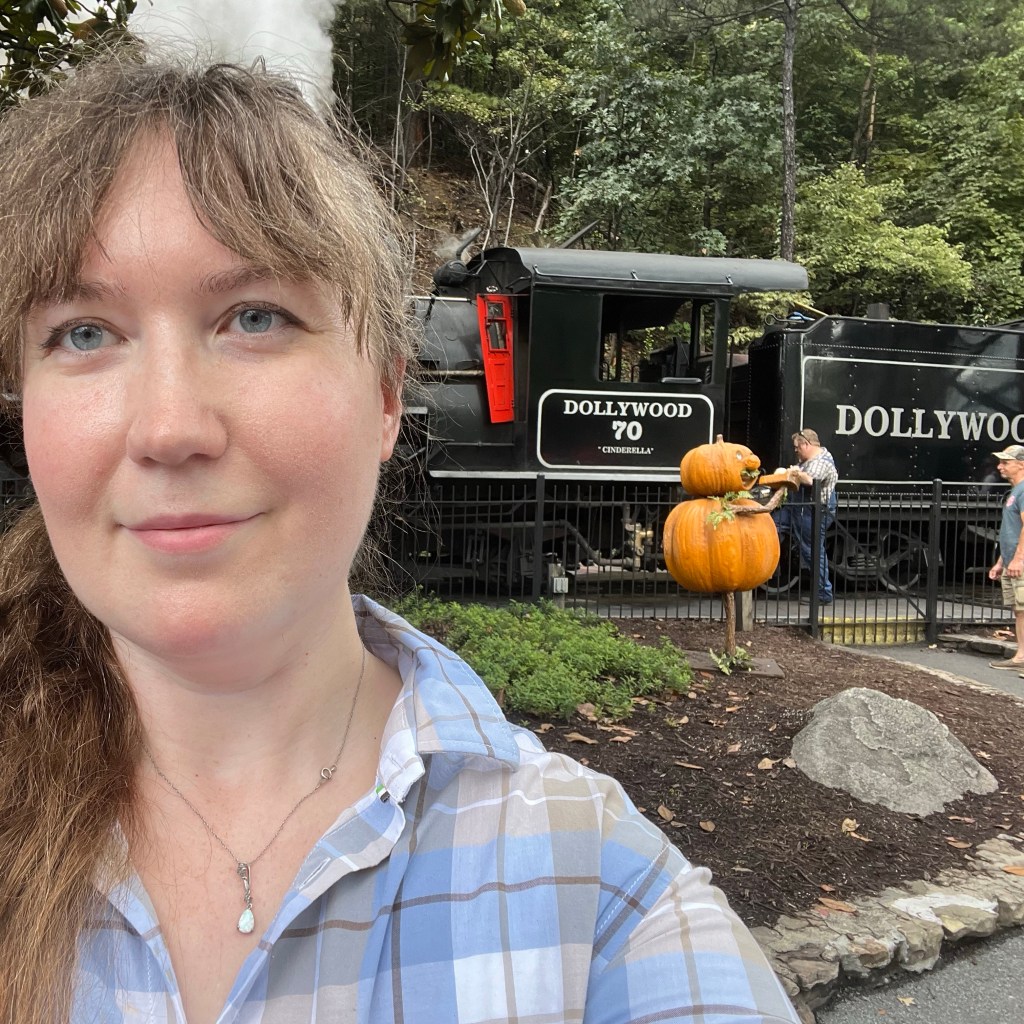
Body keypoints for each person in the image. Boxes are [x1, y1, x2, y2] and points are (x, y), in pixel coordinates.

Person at [0, 54, 800, 1024]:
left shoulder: (602, 903)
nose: (169, 427)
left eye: (255, 316)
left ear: (386, 393)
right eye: (83, 333)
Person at [776, 429, 839, 604]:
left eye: (797, 447)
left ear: (806, 444)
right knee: (770, 526)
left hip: (812, 512)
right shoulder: (807, 460)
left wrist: (794, 472)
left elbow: (812, 480)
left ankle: (823, 593)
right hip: (796, 508)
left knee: (812, 551)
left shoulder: (822, 462)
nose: (795, 450)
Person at [988, 445, 1024, 671]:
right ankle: (1021, 655)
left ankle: (1021, 658)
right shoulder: (1015, 492)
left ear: (1021, 464)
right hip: (1012, 561)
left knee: (1023, 609)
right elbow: (1011, 531)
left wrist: (1019, 559)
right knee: (1019, 610)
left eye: (1005, 463)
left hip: (1020, 563)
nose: (1000, 467)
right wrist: (1002, 562)